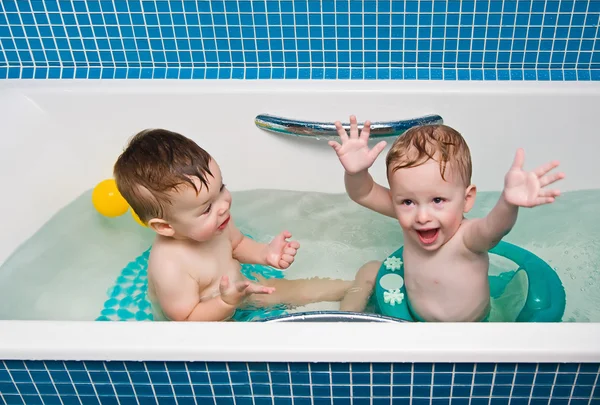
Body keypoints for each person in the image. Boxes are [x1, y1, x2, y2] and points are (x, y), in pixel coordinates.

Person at [330, 116, 565, 322]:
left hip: (469, 330)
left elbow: (494, 228)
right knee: (370, 269)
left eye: (438, 200)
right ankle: (344, 324)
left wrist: (508, 202)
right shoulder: (410, 214)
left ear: (467, 199)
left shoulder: (467, 239)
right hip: (413, 316)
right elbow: (364, 193)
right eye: (408, 202)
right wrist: (356, 172)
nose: (422, 216)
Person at [114, 128, 353, 322]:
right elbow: (185, 321)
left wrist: (265, 254)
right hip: (210, 321)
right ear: (166, 227)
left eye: (221, 189)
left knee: (317, 290)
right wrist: (225, 303)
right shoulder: (171, 266)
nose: (223, 205)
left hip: (241, 294)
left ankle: (357, 292)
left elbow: (236, 244)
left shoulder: (215, 222)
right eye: (206, 208)